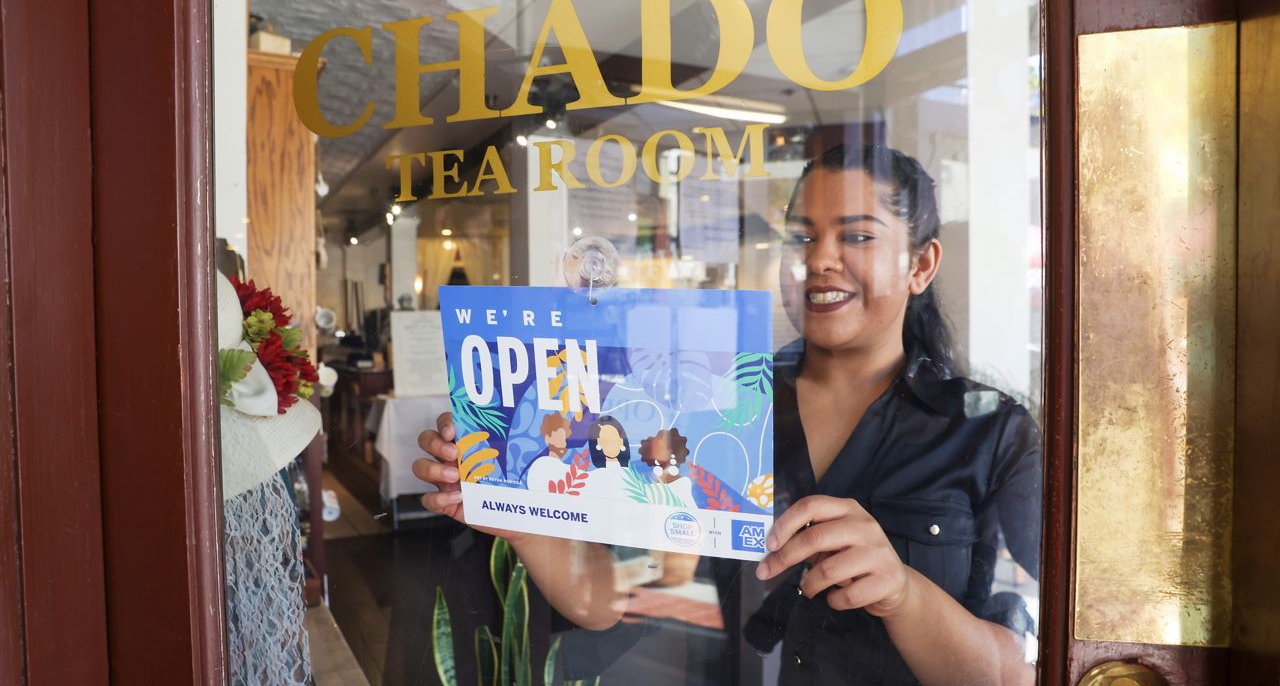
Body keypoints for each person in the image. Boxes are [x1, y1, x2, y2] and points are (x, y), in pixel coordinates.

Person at [414, 142, 1042, 685]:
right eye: (802, 236)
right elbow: (615, 598)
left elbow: (1025, 671)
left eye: (856, 235)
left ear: (920, 265)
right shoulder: (718, 402)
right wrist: (524, 519)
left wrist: (904, 593)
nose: (819, 258)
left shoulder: (993, 433)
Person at [524, 413, 573, 491]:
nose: (563, 443)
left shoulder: (567, 465)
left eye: (563, 439)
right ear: (547, 438)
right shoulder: (540, 465)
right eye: (558, 438)